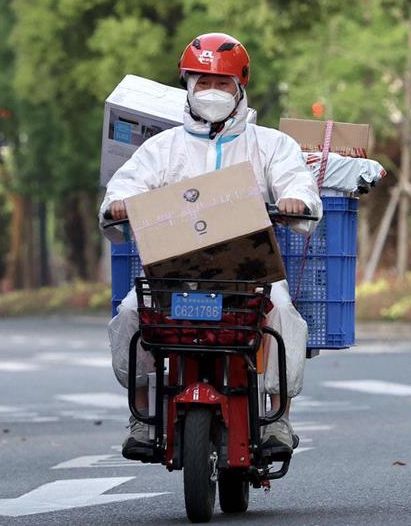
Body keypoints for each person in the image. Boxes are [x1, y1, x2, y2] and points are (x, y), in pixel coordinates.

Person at [100, 32, 322, 459]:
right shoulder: (160, 148)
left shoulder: (271, 144)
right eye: (203, 83)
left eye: (222, 84)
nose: (212, 92)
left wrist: (298, 201)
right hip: (171, 275)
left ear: (240, 90)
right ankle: (143, 417)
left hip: (251, 275)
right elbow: (124, 186)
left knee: (283, 317)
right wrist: (117, 205)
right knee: (129, 314)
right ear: (188, 86)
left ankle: (278, 417)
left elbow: (298, 181)